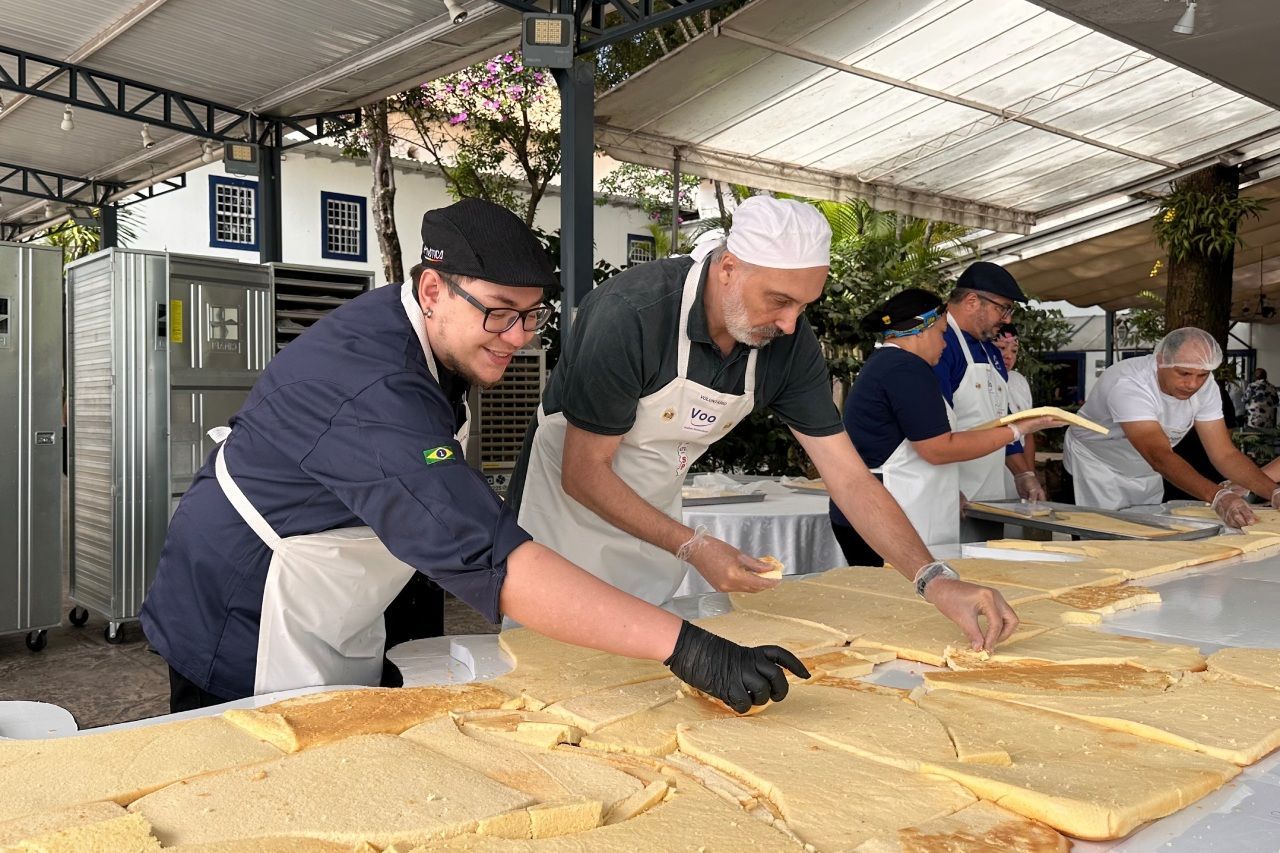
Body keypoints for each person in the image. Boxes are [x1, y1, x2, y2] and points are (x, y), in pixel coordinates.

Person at [140, 199, 808, 715]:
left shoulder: (431, 337)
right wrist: (686, 646)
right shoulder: (375, 387)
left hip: (328, 583)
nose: (517, 337)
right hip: (243, 607)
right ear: (432, 290)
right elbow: (491, 557)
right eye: (499, 313)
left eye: (531, 316)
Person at [510, 197, 1020, 653]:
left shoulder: (787, 344)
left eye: (804, 305)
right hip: (563, 530)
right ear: (728, 268)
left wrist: (933, 578)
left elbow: (848, 478)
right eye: (779, 300)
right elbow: (583, 472)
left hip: (652, 526)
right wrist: (693, 545)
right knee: (552, 671)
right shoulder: (633, 314)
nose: (791, 324)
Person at [829, 290, 1064, 566]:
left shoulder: (888, 363)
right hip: (887, 510)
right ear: (920, 331)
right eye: (941, 333)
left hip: (875, 508)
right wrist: (1017, 429)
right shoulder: (906, 369)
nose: (944, 344)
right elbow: (937, 449)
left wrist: (947, 489)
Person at [1063, 327, 1280, 527]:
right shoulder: (1130, 384)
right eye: (1183, 373)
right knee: (1100, 539)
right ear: (1160, 361)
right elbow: (1159, 455)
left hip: (1144, 469)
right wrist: (1218, 496)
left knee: (1145, 537)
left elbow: (1224, 453)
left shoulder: (1206, 388)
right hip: (1096, 466)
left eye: (1202, 375)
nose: (1193, 384)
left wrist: (1273, 492)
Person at [932, 263, 1042, 540]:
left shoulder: (989, 350)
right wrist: (943, 488)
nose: (1006, 319)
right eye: (1003, 308)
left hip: (990, 495)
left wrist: (1022, 473)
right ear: (971, 301)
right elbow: (925, 429)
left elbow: (999, 416)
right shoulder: (940, 345)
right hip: (947, 497)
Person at [992, 323, 1042, 500]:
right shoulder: (981, 379)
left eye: (1014, 350)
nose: (1008, 356)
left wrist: (1029, 474)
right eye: (1002, 348)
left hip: (1018, 469)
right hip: (989, 465)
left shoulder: (1019, 381)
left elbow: (1027, 435)